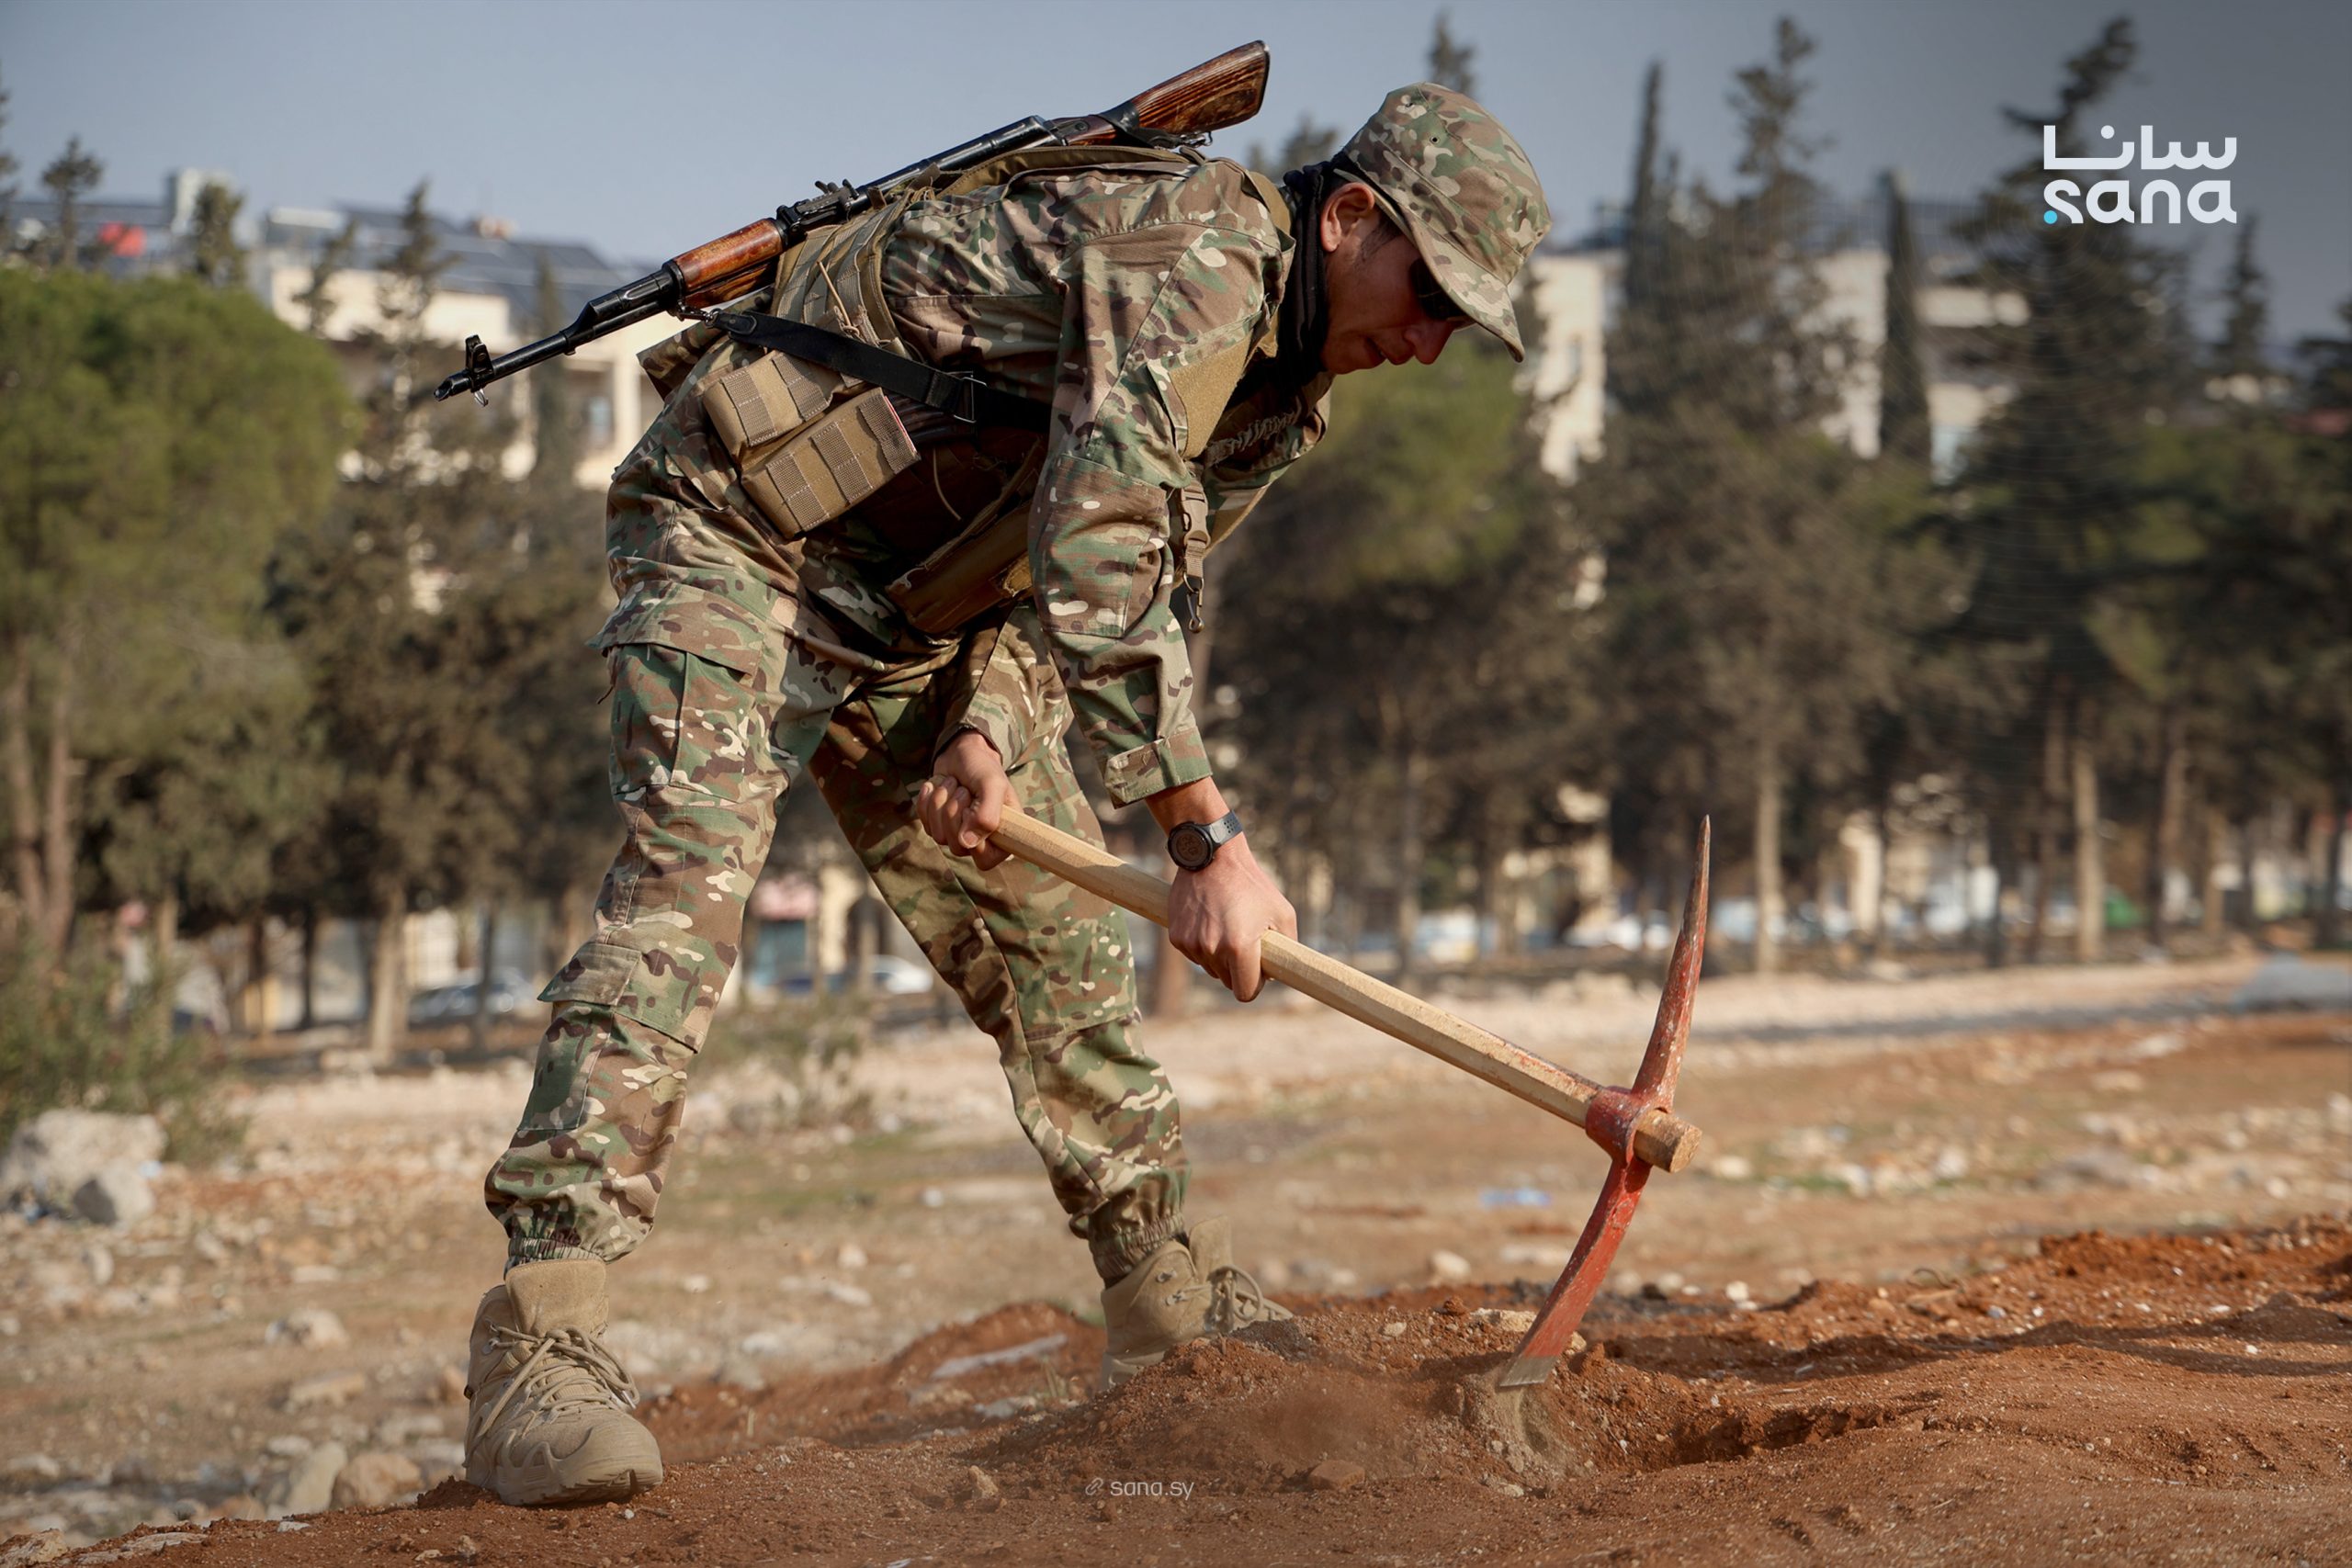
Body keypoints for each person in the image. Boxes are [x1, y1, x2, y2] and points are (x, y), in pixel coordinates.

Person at [460, 80, 1550, 1506]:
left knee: (1052, 932)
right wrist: (1204, 837)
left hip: (920, 611)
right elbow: (1102, 547)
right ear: (1350, 218)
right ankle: (539, 1342)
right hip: (742, 532)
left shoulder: (1279, 404)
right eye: (1431, 294)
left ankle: (1165, 1295)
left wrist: (987, 720)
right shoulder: (1205, 249)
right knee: (689, 887)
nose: (1429, 340)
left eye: (1461, 325)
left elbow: (1095, 576)